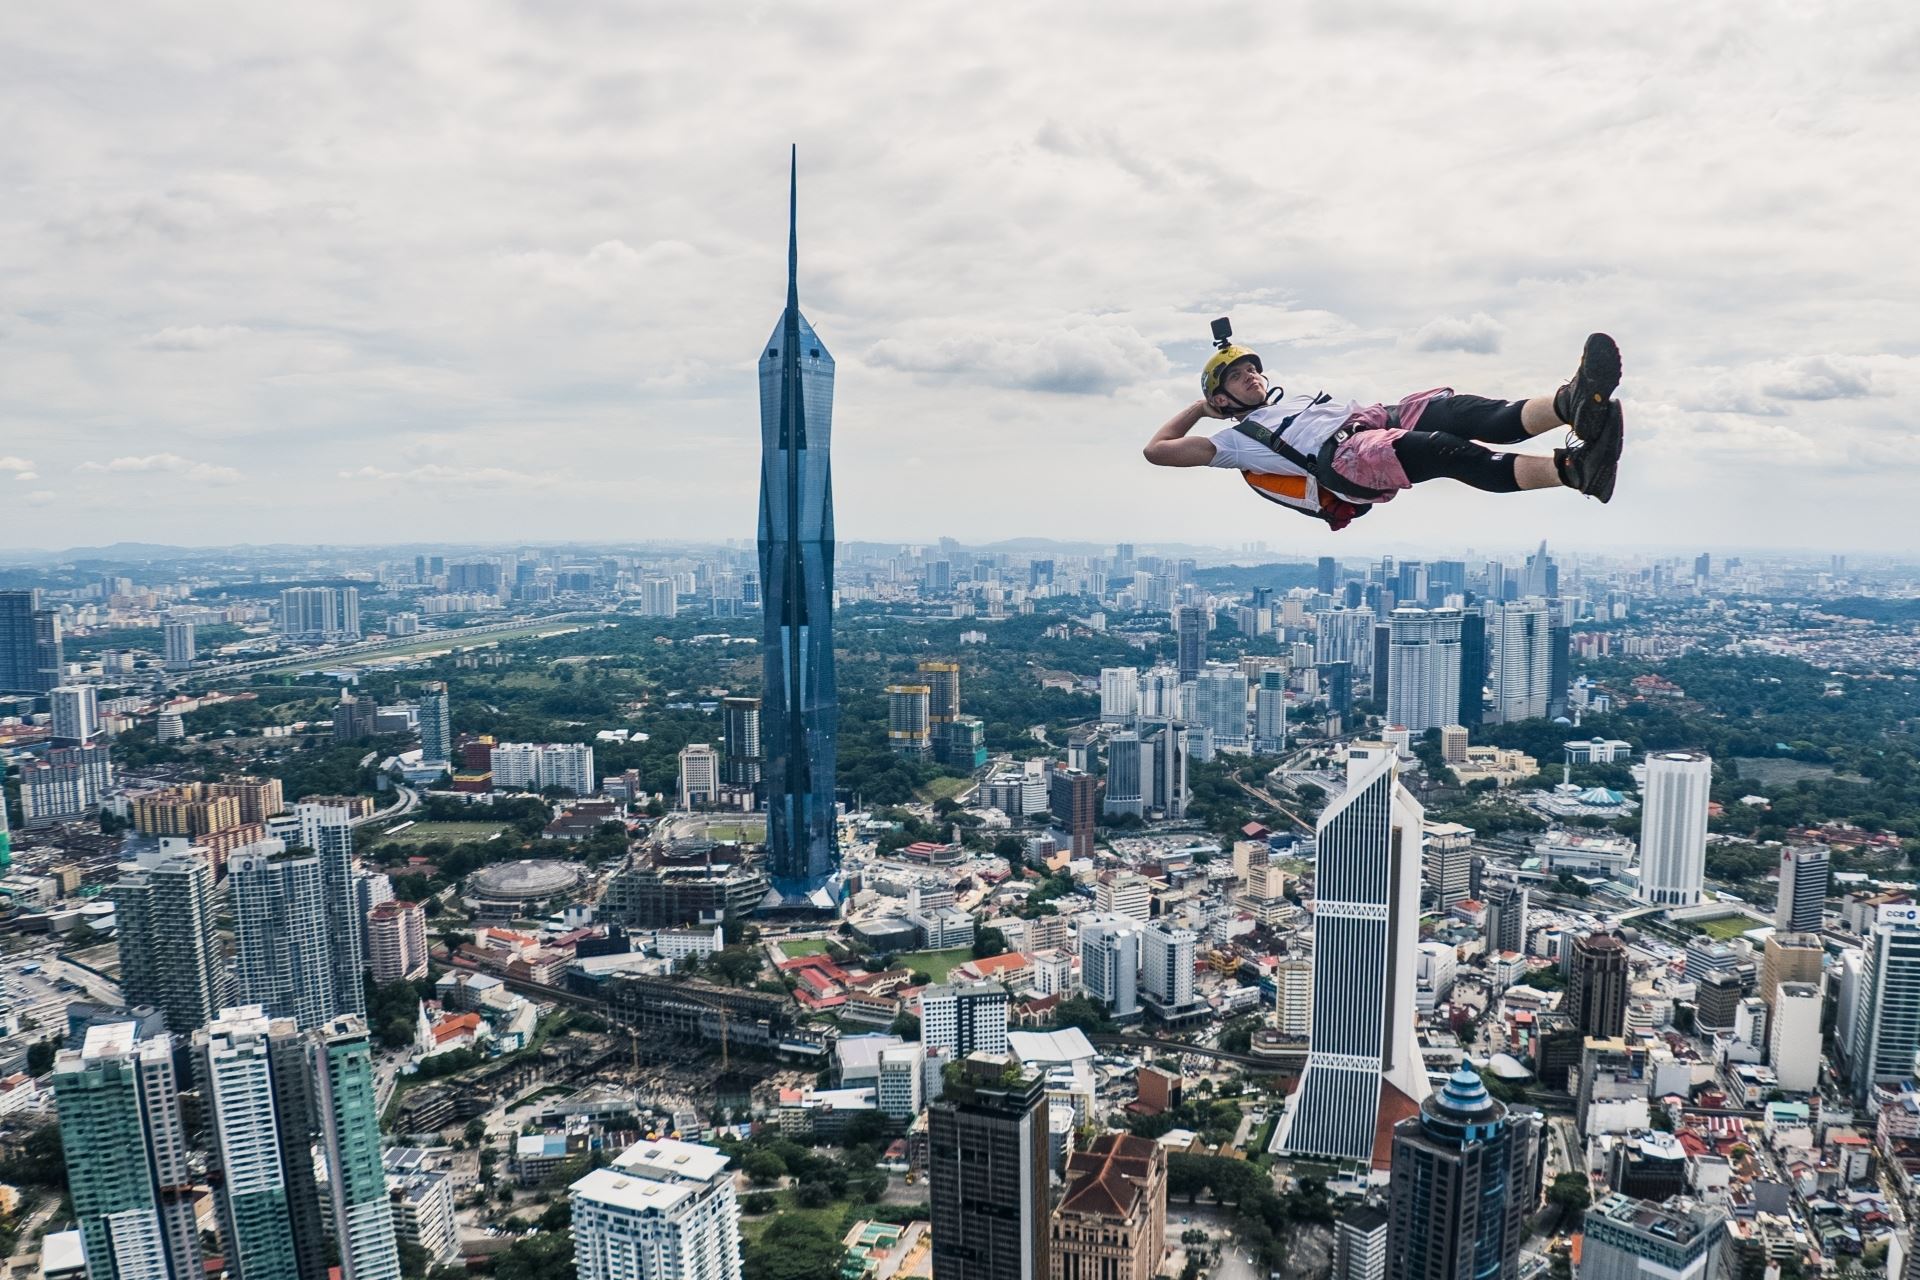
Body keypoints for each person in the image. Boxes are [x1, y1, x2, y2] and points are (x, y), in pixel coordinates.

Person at [1142, 323, 1624, 529]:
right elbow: (1157, 451)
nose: (1251, 375)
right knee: (1446, 449)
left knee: (1459, 412)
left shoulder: (1299, 399)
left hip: (1372, 420)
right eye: (1236, 377)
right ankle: (1575, 470)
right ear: (1222, 396)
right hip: (1347, 460)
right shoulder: (1235, 442)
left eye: (1252, 368)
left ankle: (1571, 404)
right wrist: (1200, 410)